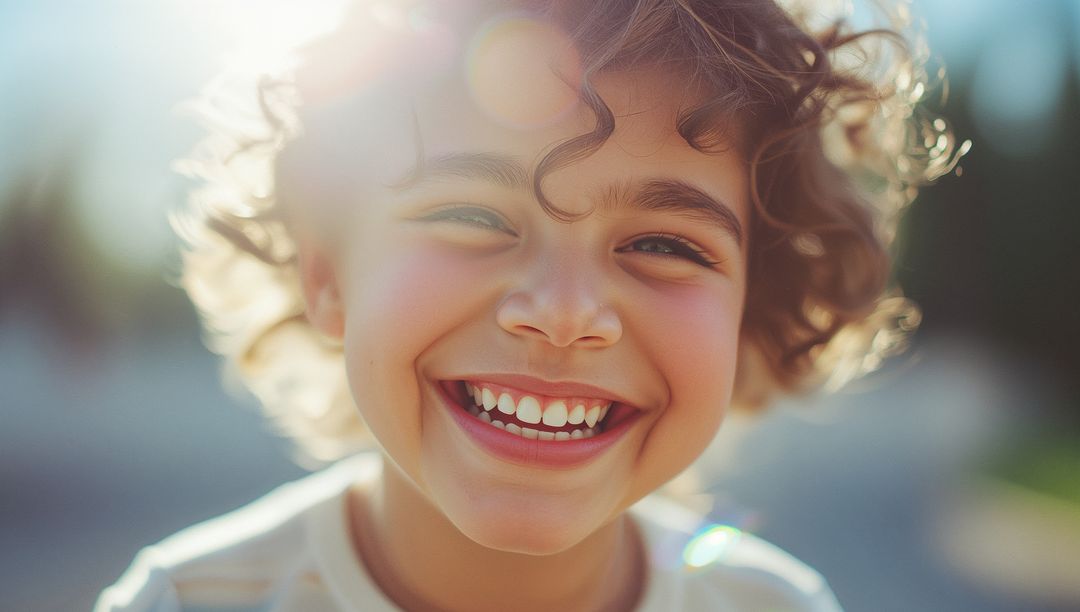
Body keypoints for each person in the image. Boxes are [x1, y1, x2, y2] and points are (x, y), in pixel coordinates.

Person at [96, 0, 963, 610]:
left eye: (664, 245)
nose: (562, 312)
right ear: (329, 280)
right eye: (473, 217)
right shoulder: (185, 603)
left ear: (748, 311)